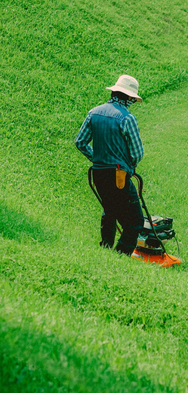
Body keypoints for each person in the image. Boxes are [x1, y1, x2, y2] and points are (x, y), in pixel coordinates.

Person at [75, 74, 144, 256]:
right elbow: (137, 153)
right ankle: (121, 254)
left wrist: (96, 158)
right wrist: (130, 166)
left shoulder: (94, 113)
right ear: (129, 97)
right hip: (119, 175)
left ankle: (105, 248)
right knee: (136, 220)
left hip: (98, 173)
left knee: (110, 210)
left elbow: (80, 142)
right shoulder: (127, 118)